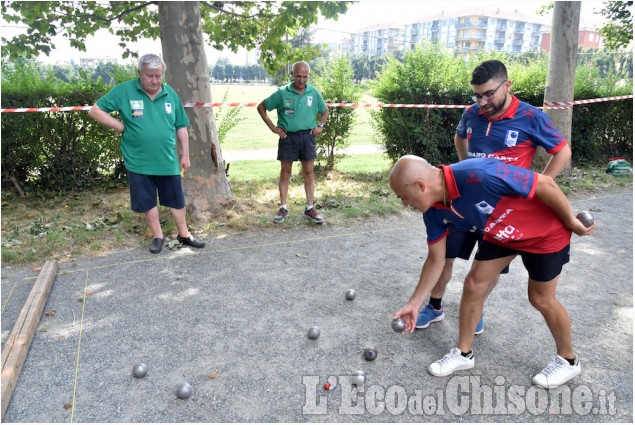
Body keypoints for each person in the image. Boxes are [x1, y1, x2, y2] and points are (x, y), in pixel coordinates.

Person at [390, 155, 595, 388]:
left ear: (420, 185)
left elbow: (545, 184)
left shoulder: (478, 173)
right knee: (474, 284)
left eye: (403, 197)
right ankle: (464, 354)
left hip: (545, 233)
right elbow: (435, 260)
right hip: (503, 236)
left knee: (541, 298)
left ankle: (568, 360)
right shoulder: (434, 212)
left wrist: (570, 220)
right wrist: (414, 303)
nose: (404, 204)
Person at [415, 59, 572, 333]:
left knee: (487, 270)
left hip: (502, 210)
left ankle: (477, 310)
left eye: (489, 94)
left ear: (507, 85)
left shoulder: (530, 117)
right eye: (477, 95)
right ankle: (434, 307)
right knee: (445, 255)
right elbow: (459, 136)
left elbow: (563, 151)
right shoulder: (471, 114)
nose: (482, 101)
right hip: (465, 201)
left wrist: (542, 184)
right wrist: (464, 165)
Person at [88, 53, 205, 254]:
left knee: (176, 199)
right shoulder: (124, 91)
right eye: (150, 76)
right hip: (138, 161)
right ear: (139, 73)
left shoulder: (170, 94)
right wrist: (119, 126)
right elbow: (95, 110)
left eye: (158, 75)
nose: (155, 80)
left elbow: (181, 127)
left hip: (167, 161)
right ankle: (158, 236)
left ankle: (184, 235)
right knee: (147, 200)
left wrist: (185, 155)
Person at [257, 61, 329, 224]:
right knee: (285, 173)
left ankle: (310, 208)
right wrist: (273, 127)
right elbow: (261, 107)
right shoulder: (282, 93)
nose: (302, 80)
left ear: (308, 76)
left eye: (305, 76)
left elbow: (324, 111)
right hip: (287, 137)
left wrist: (320, 126)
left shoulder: (313, 92)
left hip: (307, 137)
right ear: (292, 75)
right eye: (298, 76)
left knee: (309, 173)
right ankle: (283, 207)